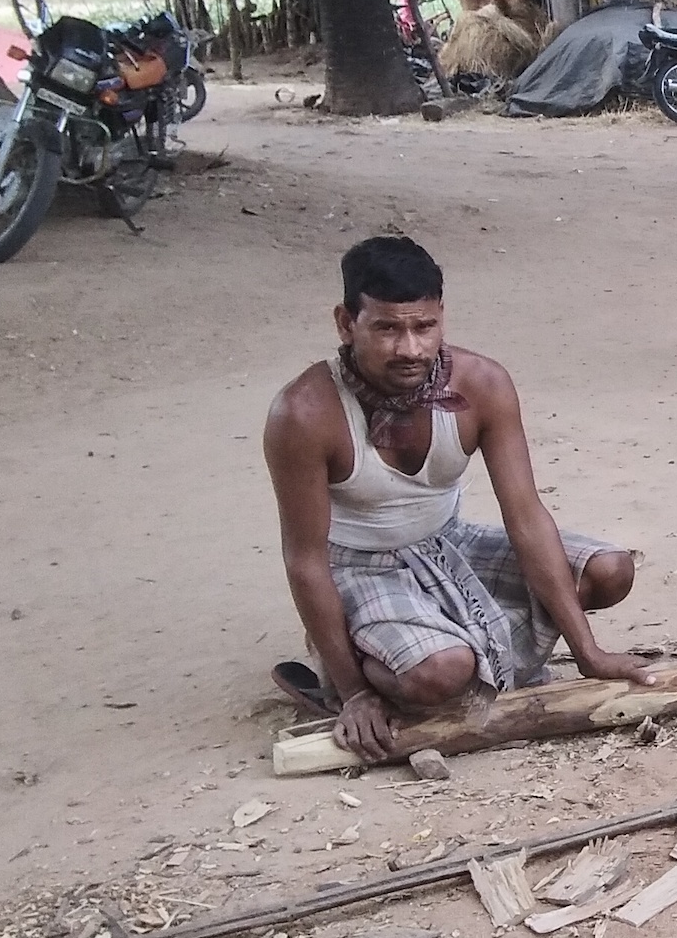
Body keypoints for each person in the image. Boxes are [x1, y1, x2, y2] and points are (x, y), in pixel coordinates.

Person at [263, 236, 648, 760]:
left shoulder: (483, 383)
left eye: (424, 327)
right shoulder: (304, 413)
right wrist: (354, 695)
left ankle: (434, 649)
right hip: (359, 567)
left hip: (449, 545)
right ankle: (349, 664)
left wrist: (589, 652)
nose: (410, 349)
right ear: (345, 322)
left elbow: (526, 515)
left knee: (609, 570)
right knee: (442, 671)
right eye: (386, 328)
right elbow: (305, 560)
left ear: (442, 316)